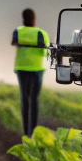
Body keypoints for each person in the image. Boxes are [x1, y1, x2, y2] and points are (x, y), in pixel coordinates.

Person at [11, 8, 50, 137]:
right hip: (37, 69)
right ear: (34, 19)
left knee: (24, 99)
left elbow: (14, 42)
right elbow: (46, 51)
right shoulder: (41, 33)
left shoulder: (18, 31)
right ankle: (32, 133)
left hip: (21, 68)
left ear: (23, 19)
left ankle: (25, 132)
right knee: (34, 100)